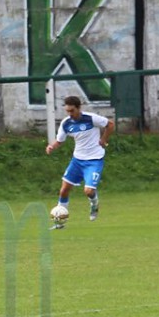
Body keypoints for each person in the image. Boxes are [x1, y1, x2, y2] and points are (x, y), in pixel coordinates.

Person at [45, 95, 115, 225]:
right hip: (77, 161)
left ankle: (94, 205)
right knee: (64, 190)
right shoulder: (66, 123)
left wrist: (103, 139)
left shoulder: (90, 118)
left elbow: (110, 124)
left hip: (94, 160)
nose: (70, 114)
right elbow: (60, 140)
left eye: (72, 111)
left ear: (79, 108)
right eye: (67, 111)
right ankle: (60, 221)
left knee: (88, 191)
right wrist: (51, 146)